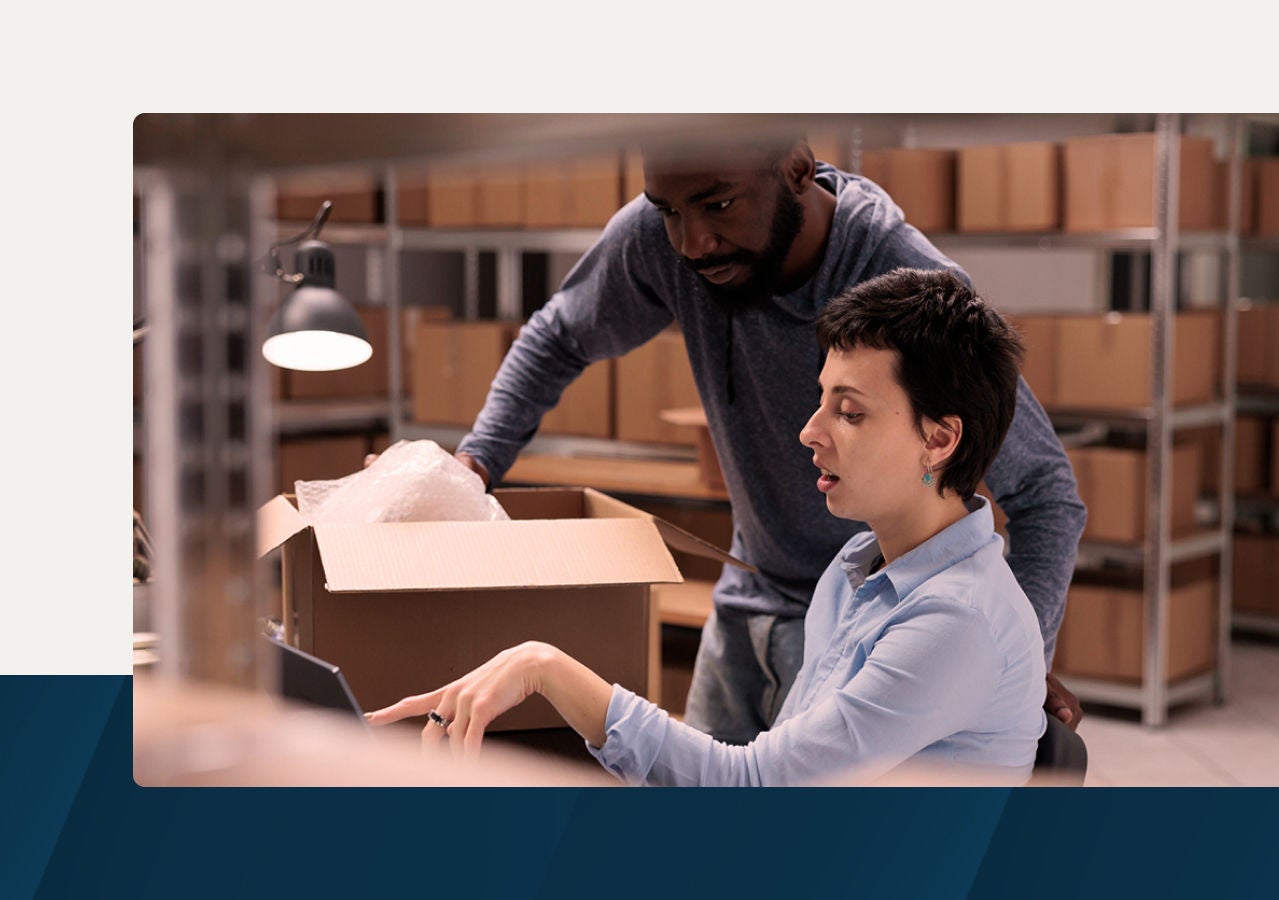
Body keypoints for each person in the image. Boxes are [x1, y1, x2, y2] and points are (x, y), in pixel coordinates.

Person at [447, 133, 1086, 742]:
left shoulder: (903, 284)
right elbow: (559, 335)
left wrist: (1020, 655)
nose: (693, 241)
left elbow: (1044, 490)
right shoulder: (666, 239)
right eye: (668, 210)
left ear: (797, 170)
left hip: (872, 626)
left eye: (718, 204)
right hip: (747, 598)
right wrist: (471, 465)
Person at [369, 268, 1047, 786]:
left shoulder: (956, 621)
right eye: (821, 401)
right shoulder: (858, 570)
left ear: (939, 439)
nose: (810, 432)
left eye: (850, 412)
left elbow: (756, 788)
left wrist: (548, 669)